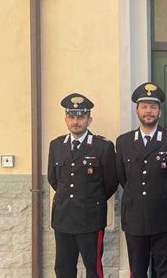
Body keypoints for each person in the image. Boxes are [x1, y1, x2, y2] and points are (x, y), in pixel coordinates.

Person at [116, 82, 167, 278]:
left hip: (164, 217)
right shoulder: (124, 141)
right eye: (144, 107)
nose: (149, 111)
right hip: (135, 218)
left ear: (160, 112)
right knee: (137, 271)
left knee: (165, 271)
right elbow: (123, 178)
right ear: (137, 111)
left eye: (153, 107)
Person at [47, 93, 118, 278]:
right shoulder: (56, 145)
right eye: (72, 117)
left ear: (89, 119)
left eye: (81, 117)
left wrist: (90, 200)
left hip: (90, 220)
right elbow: (53, 179)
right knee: (63, 269)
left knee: (93, 269)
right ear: (66, 119)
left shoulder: (103, 147)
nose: (76, 121)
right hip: (63, 219)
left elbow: (110, 183)